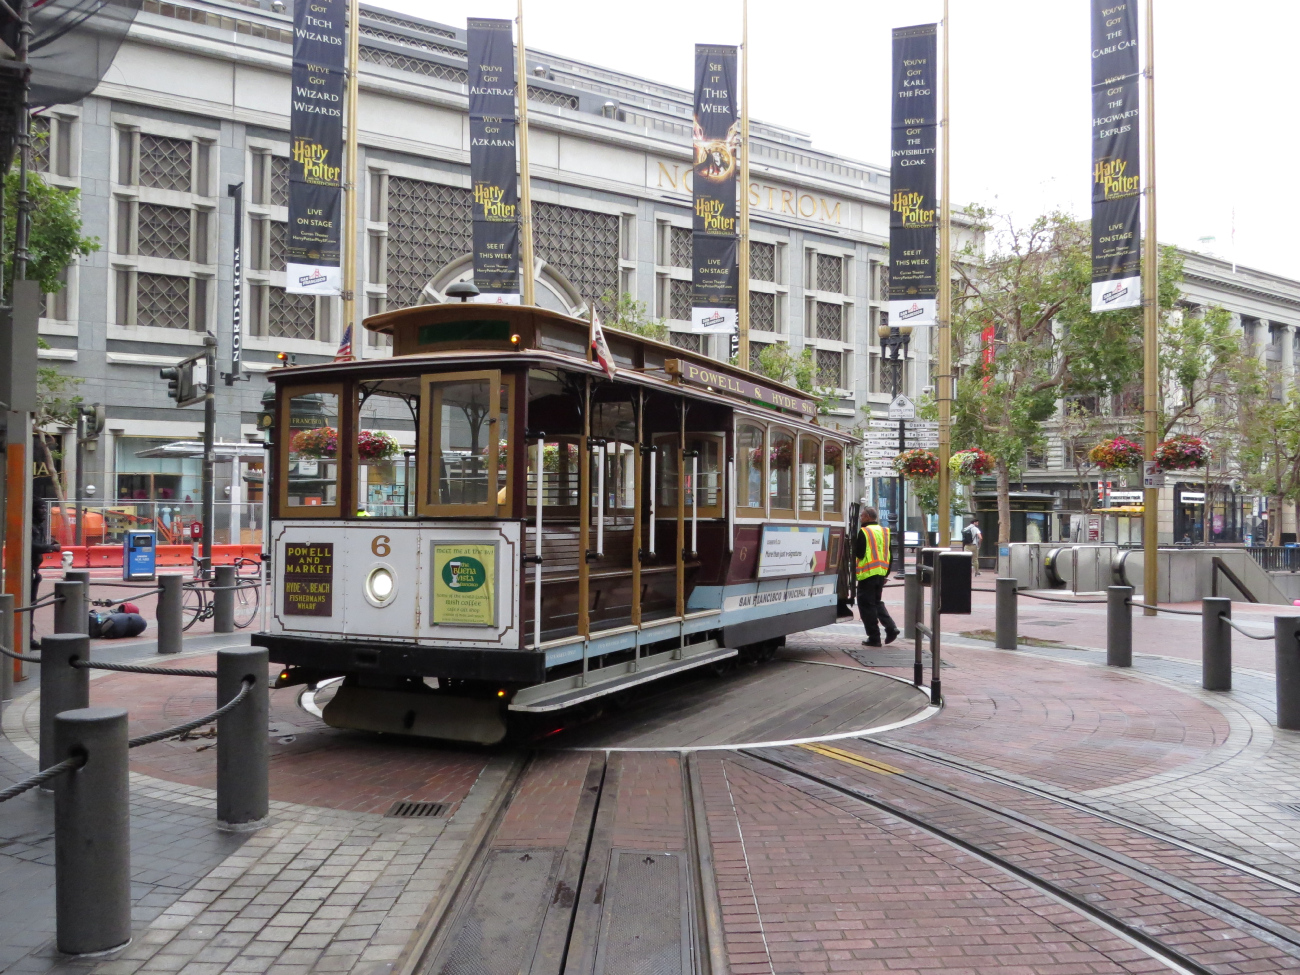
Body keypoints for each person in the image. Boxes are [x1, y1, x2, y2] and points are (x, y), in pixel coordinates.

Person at [854, 506, 898, 648]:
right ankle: (891, 628)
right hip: (881, 572)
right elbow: (890, 554)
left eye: (862, 516)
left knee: (866, 605)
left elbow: (859, 553)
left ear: (867, 517)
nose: (860, 518)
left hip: (868, 573)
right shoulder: (884, 531)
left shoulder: (864, 531)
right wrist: (886, 573)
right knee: (876, 602)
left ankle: (874, 637)